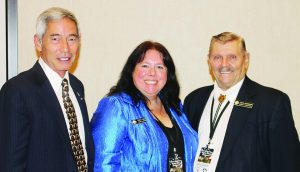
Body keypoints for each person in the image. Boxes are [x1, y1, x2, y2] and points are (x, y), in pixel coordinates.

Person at [183, 32, 300, 172]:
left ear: (246, 59)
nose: (224, 64)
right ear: (209, 60)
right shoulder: (194, 100)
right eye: (217, 57)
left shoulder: (272, 104)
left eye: (232, 57)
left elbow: (288, 165)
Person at [0, 7, 94, 172]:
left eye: (72, 39)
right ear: (38, 42)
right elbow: (10, 164)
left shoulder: (77, 86)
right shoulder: (17, 91)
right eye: (56, 39)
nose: (65, 48)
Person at [91, 41, 198, 171]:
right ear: (132, 70)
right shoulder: (116, 106)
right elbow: (102, 163)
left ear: (168, 74)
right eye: (145, 66)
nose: (152, 73)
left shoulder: (175, 107)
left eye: (160, 67)